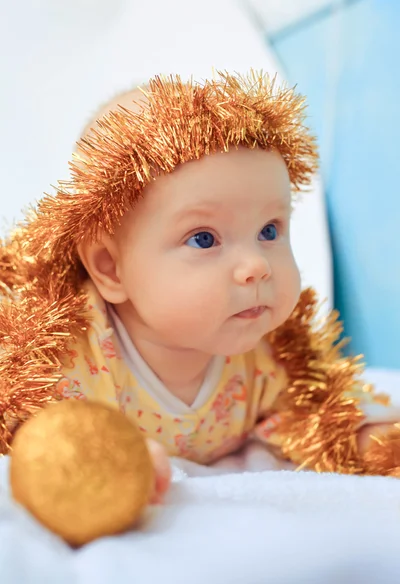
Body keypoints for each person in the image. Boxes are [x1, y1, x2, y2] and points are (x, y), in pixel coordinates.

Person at [2, 73, 400, 502]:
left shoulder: (269, 353)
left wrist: (378, 444)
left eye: (269, 230)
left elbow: (327, 415)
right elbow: (32, 437)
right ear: (110, 269)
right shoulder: (70, 353)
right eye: (204, 238)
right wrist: (109, 460)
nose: (257, 266)